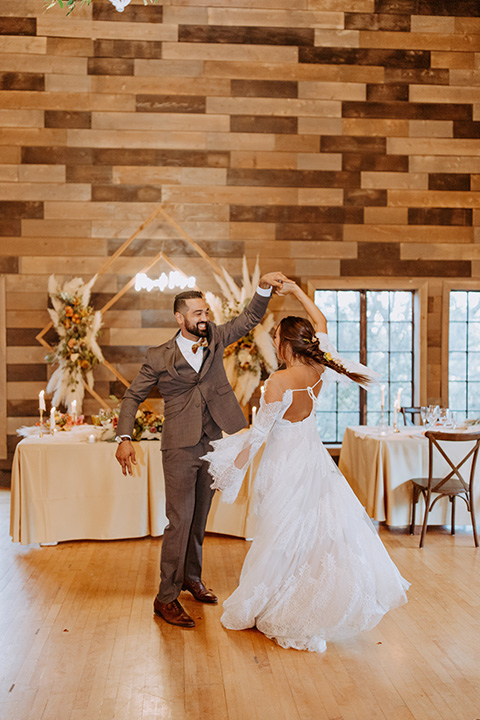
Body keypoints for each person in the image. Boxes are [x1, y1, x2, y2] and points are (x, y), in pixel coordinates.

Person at [202, 281, 409, 653]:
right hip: (313, 463)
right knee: (306, 535)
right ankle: (297, 596)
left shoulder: (278, 381)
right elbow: (322, 319)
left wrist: (230, 473)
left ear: (284, 345)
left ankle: (278, 604)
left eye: (276, 339)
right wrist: (296, 291)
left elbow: (257, 436)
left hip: (283, 466)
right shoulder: (319, 367)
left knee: (278, 536)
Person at [114, 271, 291, 628]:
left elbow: (250, 318)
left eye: (205, 312)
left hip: (213, 442)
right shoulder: (158, 356)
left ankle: (191, 579)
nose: (204, 318)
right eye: (197, 314)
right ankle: (165, 597)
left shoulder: (217, 335)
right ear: (179, 318)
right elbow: (132, 396)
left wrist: (263, 288)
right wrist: (124, 437)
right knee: (178, 521)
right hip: (178, 447)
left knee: (198, 520)